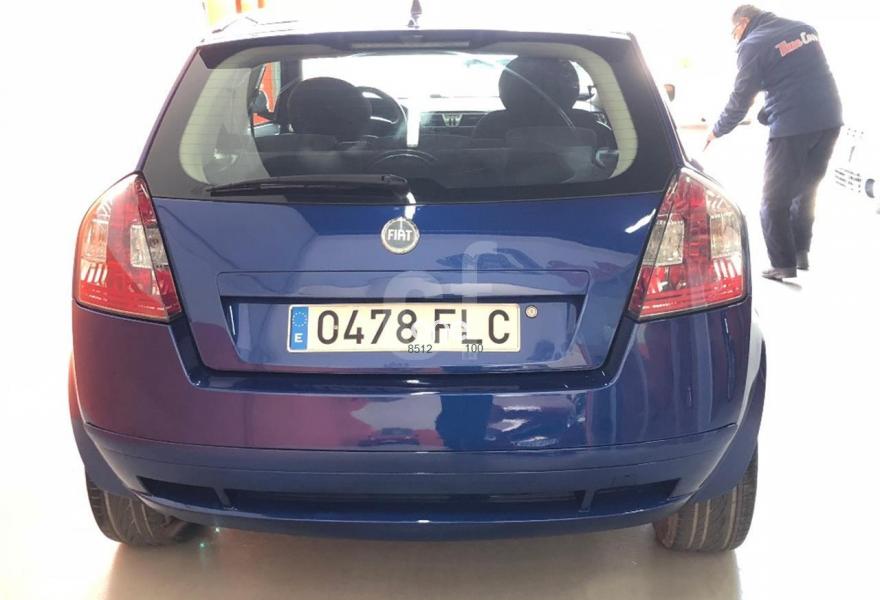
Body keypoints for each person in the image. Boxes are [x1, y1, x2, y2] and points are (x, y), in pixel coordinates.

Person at [705, 5, 843, 281]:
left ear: (743, 22)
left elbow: (741, 99)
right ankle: (800, 252)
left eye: (733, 32)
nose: (735, 37)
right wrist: (768, 111)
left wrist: (716, 130)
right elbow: (801, 79)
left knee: (772, 200)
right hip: (830, 120)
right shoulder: (804, 29)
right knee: (806, 189)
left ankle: (782, 264)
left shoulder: (753, 44)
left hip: (792, 126)